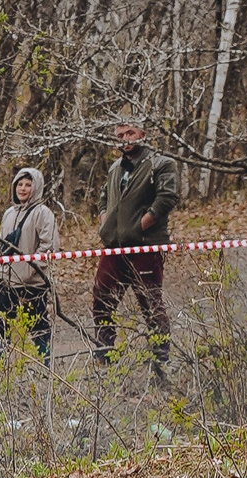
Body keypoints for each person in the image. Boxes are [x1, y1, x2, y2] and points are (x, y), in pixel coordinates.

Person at [92, 119, 181, 376]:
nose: (125, 139)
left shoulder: (160, 164)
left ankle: (161, 361)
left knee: (150, 303)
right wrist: (106, 225)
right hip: (114, 246)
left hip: (146, 247)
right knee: (102, 298)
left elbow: (166, 199)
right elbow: (103, 199)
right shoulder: (115, 168)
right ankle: (105, 356)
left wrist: (138, 227)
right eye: (120, 135)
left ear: (141, 134)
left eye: (130, 133)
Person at [0, 166, 60, 357]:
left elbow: (49, 246)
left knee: (37, 325)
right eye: (19, 184)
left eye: (28, 185)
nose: (22, 188)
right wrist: (0, 266)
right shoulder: (9, 214)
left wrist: (30, 271)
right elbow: (1, 243)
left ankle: (45, 362)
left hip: (34, 284)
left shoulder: (43, 213)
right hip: (7, 281)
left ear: (36, 187)